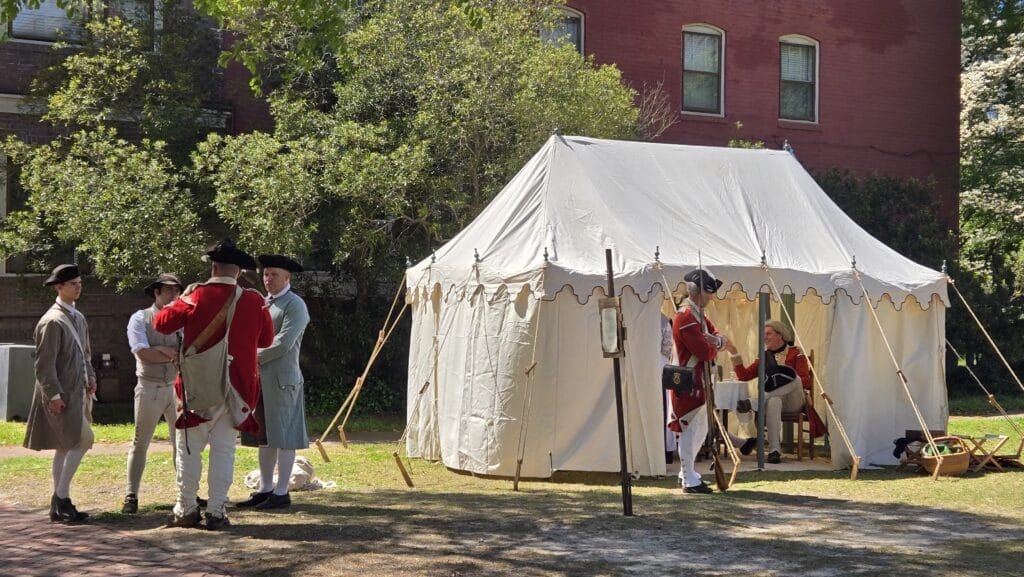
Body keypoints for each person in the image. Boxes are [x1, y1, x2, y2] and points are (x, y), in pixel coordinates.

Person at [154, 239, 274, 530]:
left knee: (190, 449)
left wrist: (182, 297)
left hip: (197, 387)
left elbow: (161, 322)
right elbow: (266, 340)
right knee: (224, 451)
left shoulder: (196, 296)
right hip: (238, 389)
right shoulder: (255, 300)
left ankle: (186, 508)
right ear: (237, 271)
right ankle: (217, 511)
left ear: (214, 267)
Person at [23, 264, 97, 523]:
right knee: (83, 440)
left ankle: (59, 502)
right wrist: (54, 395)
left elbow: (85, 353)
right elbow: (44, 365)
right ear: (59, 287)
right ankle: (62, 498)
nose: (78, 287)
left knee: (66, 446)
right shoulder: (52, 321)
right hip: (61, 393)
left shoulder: (79, 317)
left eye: (79, 282)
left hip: (78, 391)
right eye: (73, 284)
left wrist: (91, 377)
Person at [237, 254, 310, 511]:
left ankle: (281, 492)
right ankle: (265, 488)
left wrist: (249, 357)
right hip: (259, 380)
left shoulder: (295, 305)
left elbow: (283, 342)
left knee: (285, 437)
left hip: (282, 380)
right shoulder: (263, 303)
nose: (268, 279)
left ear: (287, 277)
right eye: (266, 274)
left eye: (274, 274)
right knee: (264, 437)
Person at [121, 273, 184, 514]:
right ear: (156, 292)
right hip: (149, 386)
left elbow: (185, 352)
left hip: (175, 386)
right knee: (140, 441)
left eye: (176, 290)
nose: (173, 294)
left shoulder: (181, 319)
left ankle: (185, 493)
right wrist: (169, 352)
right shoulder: (140, 318)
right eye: (168, 290)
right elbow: (142, 354)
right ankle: (131, 494)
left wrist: (161, 349)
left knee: (180, 442)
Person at [668, 268, 730, 494]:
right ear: (699, 292)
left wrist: (717, 341)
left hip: (700, 381)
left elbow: (718, 337)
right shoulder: (685, 316)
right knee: (689, 429)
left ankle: (688, 472)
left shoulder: (698, 315)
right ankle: (688, 478)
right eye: (709, 292)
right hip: (688, 382)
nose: (712, 297)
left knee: (700, 429)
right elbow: (704, 352)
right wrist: (715, 345)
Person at [725, 319, 811, 464]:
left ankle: (753, 403)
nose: (764, 337)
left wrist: (786, 378)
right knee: (774, 401)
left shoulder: (796, 352)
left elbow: (805, 381)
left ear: (780, 335)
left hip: (794, 399)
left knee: (794, 378)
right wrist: (733, 352)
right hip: (773, 400)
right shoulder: (763, 356)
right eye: (763, 334)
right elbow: (744, 376)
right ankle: (774, 451)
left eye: (768, 334)